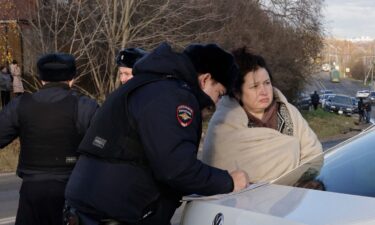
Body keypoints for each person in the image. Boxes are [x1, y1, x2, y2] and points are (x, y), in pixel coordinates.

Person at [64, 42, 249, 225]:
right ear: (206, 79)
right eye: (219, 93)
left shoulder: (147, 85)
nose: (214, 103)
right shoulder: (174, 96)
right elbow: (176, 168)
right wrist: (228, 181)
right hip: (115, 211)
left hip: (92, 205)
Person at [0, 53, 98, 225]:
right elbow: (103, 147)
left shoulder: (21, 105)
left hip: (32, 192)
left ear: (41, 79)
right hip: (71, 189)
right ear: (72, 79)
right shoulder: (84, 106)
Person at [202, 47, 323, 183]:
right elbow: (217, 167)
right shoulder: (223, 123)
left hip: (293, 197)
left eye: (267, 83)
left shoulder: (290, 113)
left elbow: (314, 156)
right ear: (237, 92)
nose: (264, 91)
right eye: (254, 86)